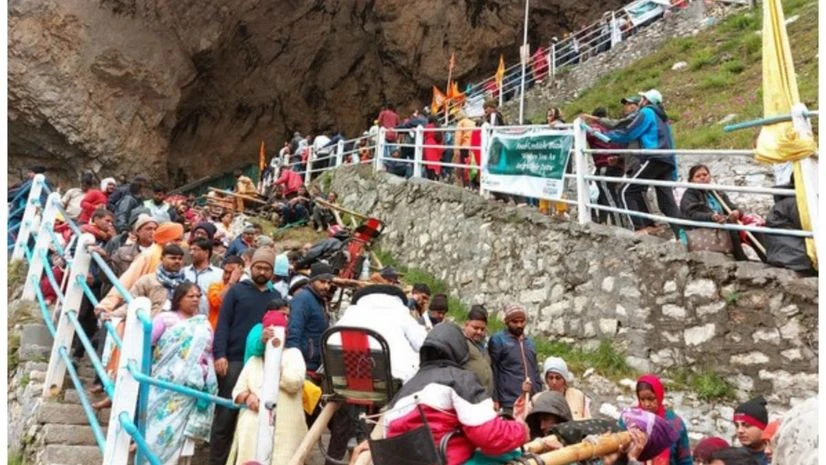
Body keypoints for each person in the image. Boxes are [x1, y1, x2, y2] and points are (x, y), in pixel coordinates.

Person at [382, 323, 528, 465]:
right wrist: (521, 430)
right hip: (447, 460)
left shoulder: (401, 393)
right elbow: (488, 435)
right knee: (514, 457)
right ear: (461, 351)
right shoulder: (460, 379)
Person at [210, 249, 279, 465]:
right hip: (235, 360)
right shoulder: (237, 291)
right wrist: (220, 354)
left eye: (266, 268)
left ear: (272, 272)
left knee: (255, 418)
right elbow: (223, 324)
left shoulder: (276, 296)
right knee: (225, 416)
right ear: (251, 267)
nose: (262, 272)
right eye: (258, 267)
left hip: (262, 363)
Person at [145, 282, 217, 465]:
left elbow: (210, 353)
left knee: (182, 438)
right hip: (165, 385)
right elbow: (146, 343)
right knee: (157, 429)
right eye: (190, 296)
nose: (195, 299)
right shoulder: (165, 319)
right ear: (179, 298)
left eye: (198, 296)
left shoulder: (204, 323)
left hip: (192, 389)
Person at [226, 309, 307, 465]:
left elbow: (294, 383)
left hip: (285, 432)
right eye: (269, 334)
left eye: (278, 333)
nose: (273, 338)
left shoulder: (293, 355)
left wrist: (275, 362)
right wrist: (248, 397)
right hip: (253, 434)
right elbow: (237, 392)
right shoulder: (254, 361)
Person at [606, 89, 683, 236]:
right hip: (666, 160)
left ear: (646, 100)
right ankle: (682, 236)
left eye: (642, 98)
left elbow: (630, 132)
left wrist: (608, 136)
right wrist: (673, 170)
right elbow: (671, 142)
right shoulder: (663, 118)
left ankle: (639, 229)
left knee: (626, 190)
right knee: (666, 203)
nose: (640, 101)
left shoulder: (647, 112)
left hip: (654, 157)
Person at [332, 285, 427, 383]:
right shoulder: (401, 314)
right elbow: (423, 345)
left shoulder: (349, 315)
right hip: (391, 383)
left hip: (342, 382)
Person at [679, 164, 763, 261]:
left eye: (705, 175)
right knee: (730, 225)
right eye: (698, 176)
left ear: (709, 176)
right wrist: (712, 217)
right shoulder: (689, 195)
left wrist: (737, 212)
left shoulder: (716, 192)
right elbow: (691, 214)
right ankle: (740, 258)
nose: (702, 178)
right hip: (704, 226)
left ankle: (766, 257)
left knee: (753, 226)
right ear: (691, 180)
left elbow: (731, 207)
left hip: (722, 222)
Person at [623, 374, 691, 465]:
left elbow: (685, 460)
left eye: (651, 399)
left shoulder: (675, 424)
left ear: (659, 396)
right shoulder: (629, 420)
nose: (646, 404)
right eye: (642, 399)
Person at [488, 304, 542, 415]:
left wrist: (538, 394)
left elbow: (535, 370)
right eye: (515, 322)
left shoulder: (530, 343)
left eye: (522, 321)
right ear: (507, 322)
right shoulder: (499, 340)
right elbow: (493, 370)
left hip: (530, 400)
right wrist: (495, 398)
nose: (519, 325)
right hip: (509, 401)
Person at [585, 107, 627, 226]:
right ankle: (622, 222)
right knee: (616, 195)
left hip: (605, 164)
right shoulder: (612, 127)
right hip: (619, 164)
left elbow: (580, 135)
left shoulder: (593, 128)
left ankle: (619, 226)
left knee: (609, 196)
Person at [184, 238, 224, 316]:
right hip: (185, 319)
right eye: (190, 250)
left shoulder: (219, 274)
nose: (191, 253)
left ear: (206, 253)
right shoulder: (183, 272)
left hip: (209, 319)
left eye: (195, 250)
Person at [205, 255, 245, 330]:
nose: (226, 276)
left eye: (231, 273)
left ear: (240, 273)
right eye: (225, 272)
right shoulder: (215, 286)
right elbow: (217, 302)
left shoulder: (245, 289)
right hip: (216, 331)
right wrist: (231, 282)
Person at [463, 305, 493, 396]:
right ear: (466, 325)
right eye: (475, 328)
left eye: (482, 329)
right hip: (468, 397)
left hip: (485, 397)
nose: (479, 332)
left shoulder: (485, 345)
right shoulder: (460, 342)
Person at [733, 396, 770, 465]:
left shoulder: (776, 456)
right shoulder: (732, 459)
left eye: (747, 425)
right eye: (737, 426)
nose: (740, 431)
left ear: (763, 427)